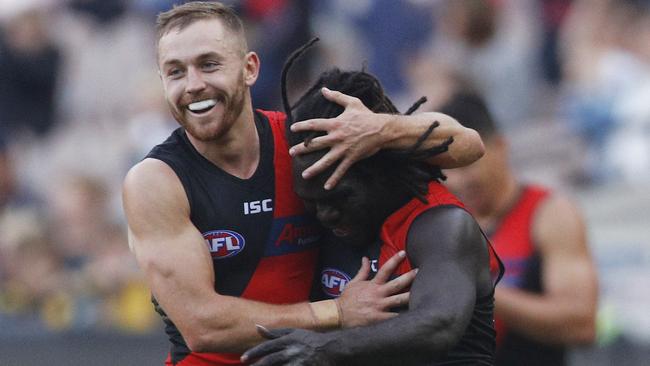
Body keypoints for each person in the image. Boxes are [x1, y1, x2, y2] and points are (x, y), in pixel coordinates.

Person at [121, 2, 485, 365]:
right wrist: (336, 313)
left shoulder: (302, 143)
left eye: (209, 64)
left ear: (249, 68)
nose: (194, 85)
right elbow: (203, 327)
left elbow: (468, 146)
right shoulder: (156, 181)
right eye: (175, 72)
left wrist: (384, 128)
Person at [241, 67, 503, 365]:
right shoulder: (316, 221)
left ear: (380, 171)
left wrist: (324, 347)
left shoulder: (441, 225)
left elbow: (438, 325)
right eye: (312, 201)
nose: (326, 214)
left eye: (339, 197)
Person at [439, 91, 598, 366]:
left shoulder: (550, 214)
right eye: (447, 170)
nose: (457, 181)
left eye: (467, 166)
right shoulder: (442, 221)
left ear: (500, 147)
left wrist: (480, 291)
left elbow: (582, 323)